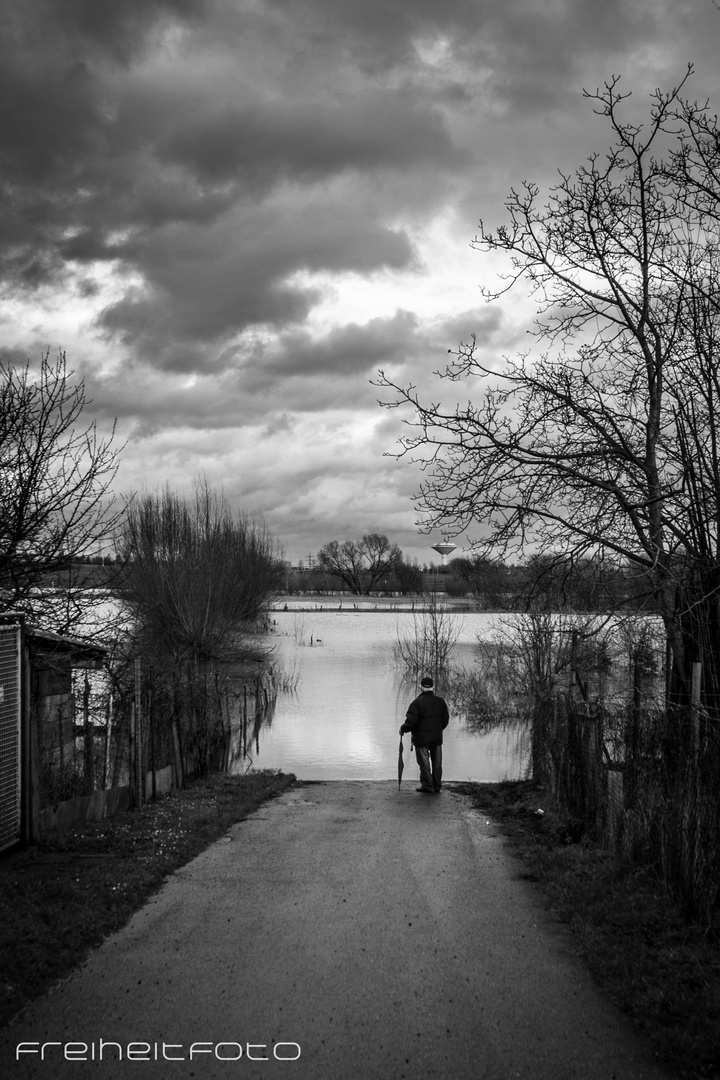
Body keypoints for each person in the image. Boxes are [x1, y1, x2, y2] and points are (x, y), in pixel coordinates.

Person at [399, 676, 449, 794]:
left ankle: (427, 786)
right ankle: (437, 785)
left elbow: (411, 722)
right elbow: (445, 720)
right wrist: (437, 729)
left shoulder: (416, 703)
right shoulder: (441, 702)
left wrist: (402, 729)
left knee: (424, 764)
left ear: (421, 687)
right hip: (436, 738)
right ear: (433, 687)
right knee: (437, 763)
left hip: (421, 739)